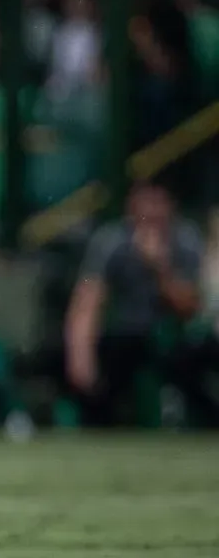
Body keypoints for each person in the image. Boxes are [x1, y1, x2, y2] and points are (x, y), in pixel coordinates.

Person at [64, 181, 203, 427]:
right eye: (144, 201)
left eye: (157, 202)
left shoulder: (187, 239)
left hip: (172, 337)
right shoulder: (109, 241)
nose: (150, 211)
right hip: (123, 336)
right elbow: (87, 300)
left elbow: (189, 308)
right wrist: (80, 356)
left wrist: (160, 267)